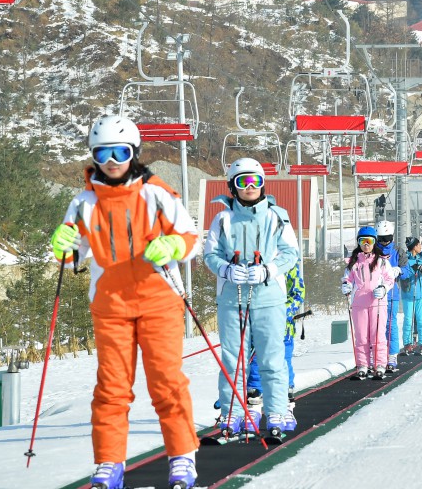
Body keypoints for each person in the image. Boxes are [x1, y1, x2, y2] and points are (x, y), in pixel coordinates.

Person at [50, 116, 202, 489]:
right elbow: (74, 255)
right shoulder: (84, 202)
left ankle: (182, 457)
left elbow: (191, 237)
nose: (112, 160)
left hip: (159, 301)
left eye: (121, 152)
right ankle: (109, 463)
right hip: (110, 306)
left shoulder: (156, 193)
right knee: (111, 388)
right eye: (104, 153)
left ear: (133, 153)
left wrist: (174, 245)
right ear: (94, 156)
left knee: (166, 383)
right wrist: (63, 248)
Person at [205, 157, 300, 443]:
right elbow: (210, 254)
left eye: (255, 181)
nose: (249, 187)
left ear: (262, 185)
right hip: (232, 300)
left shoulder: (277, 216)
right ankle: (232, 410)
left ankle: (277, 409)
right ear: (232, 187)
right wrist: (225, 269)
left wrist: (268, 270)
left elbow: (290, 253)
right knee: (233, 359)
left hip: (268, 299)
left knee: (272, 358)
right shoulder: (222, 219)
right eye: (242, 182)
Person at [247, 257, 305, 414]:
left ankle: (285, 391)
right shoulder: (255, 265)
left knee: (283, 359)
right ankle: (255, 391)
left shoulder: (288, 265)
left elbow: (298, 292)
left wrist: (283, 311)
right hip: (260, 324)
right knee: (257, 358)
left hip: (283, 326)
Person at [342, 226, 397, 379]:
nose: (366, 244)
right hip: (359, 303)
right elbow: (347, 278)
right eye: (363, 241)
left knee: (378, 334)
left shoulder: (381, 261)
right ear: (358, 242)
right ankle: (363, 365)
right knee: (361, 336)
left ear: (374, 242)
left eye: (369, 241)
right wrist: (346, 286)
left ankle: (379, 364)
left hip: (377, 302)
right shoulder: (354, 263)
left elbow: (390, 278)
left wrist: (384, 288)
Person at [374, 221, 403, 372]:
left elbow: (406, 267)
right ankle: (377, 355)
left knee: (390, 325)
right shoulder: (372, 250)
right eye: (381, 238)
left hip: (391, 294)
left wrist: (400, 270)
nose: (384, 242)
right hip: (374, 295)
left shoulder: (398, 251)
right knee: (375, 326)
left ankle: (392, 354)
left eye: (387, 238)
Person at [399, 237, 422, 356]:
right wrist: (413, 270)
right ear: (414, 246)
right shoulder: (405, 259)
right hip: (409, 294)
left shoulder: (421, 258)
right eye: (418, 245)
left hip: (421, 294)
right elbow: (403, 273)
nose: (420, 247)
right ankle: (408, 343)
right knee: (408, 320)